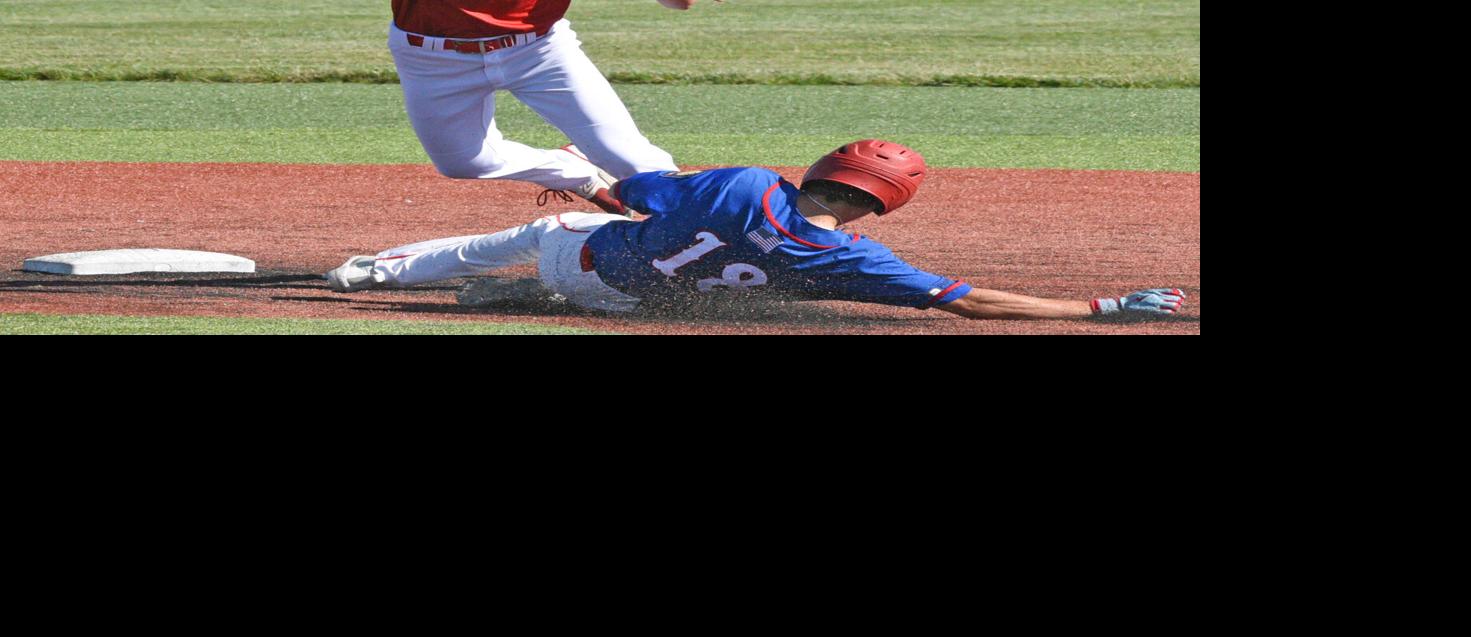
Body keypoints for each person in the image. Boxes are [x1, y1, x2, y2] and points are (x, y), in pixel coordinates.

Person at [325, 139, 1187, 321]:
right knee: (620, 290)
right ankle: (515, 300)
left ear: (821, 170)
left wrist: (594, 185)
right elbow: (970, 302)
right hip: (634, 307)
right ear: (880, 205)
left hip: (588, 253)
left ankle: (367, 274)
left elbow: (631, 191)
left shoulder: (741, 184)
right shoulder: (857, 258)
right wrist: (1104, 306)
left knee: (526, 232)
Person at [388, 1, 714, 214]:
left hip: (540, 51)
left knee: (633, 160)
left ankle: (700, 235)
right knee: (465, 162)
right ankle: (573, 170)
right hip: (431, 59)